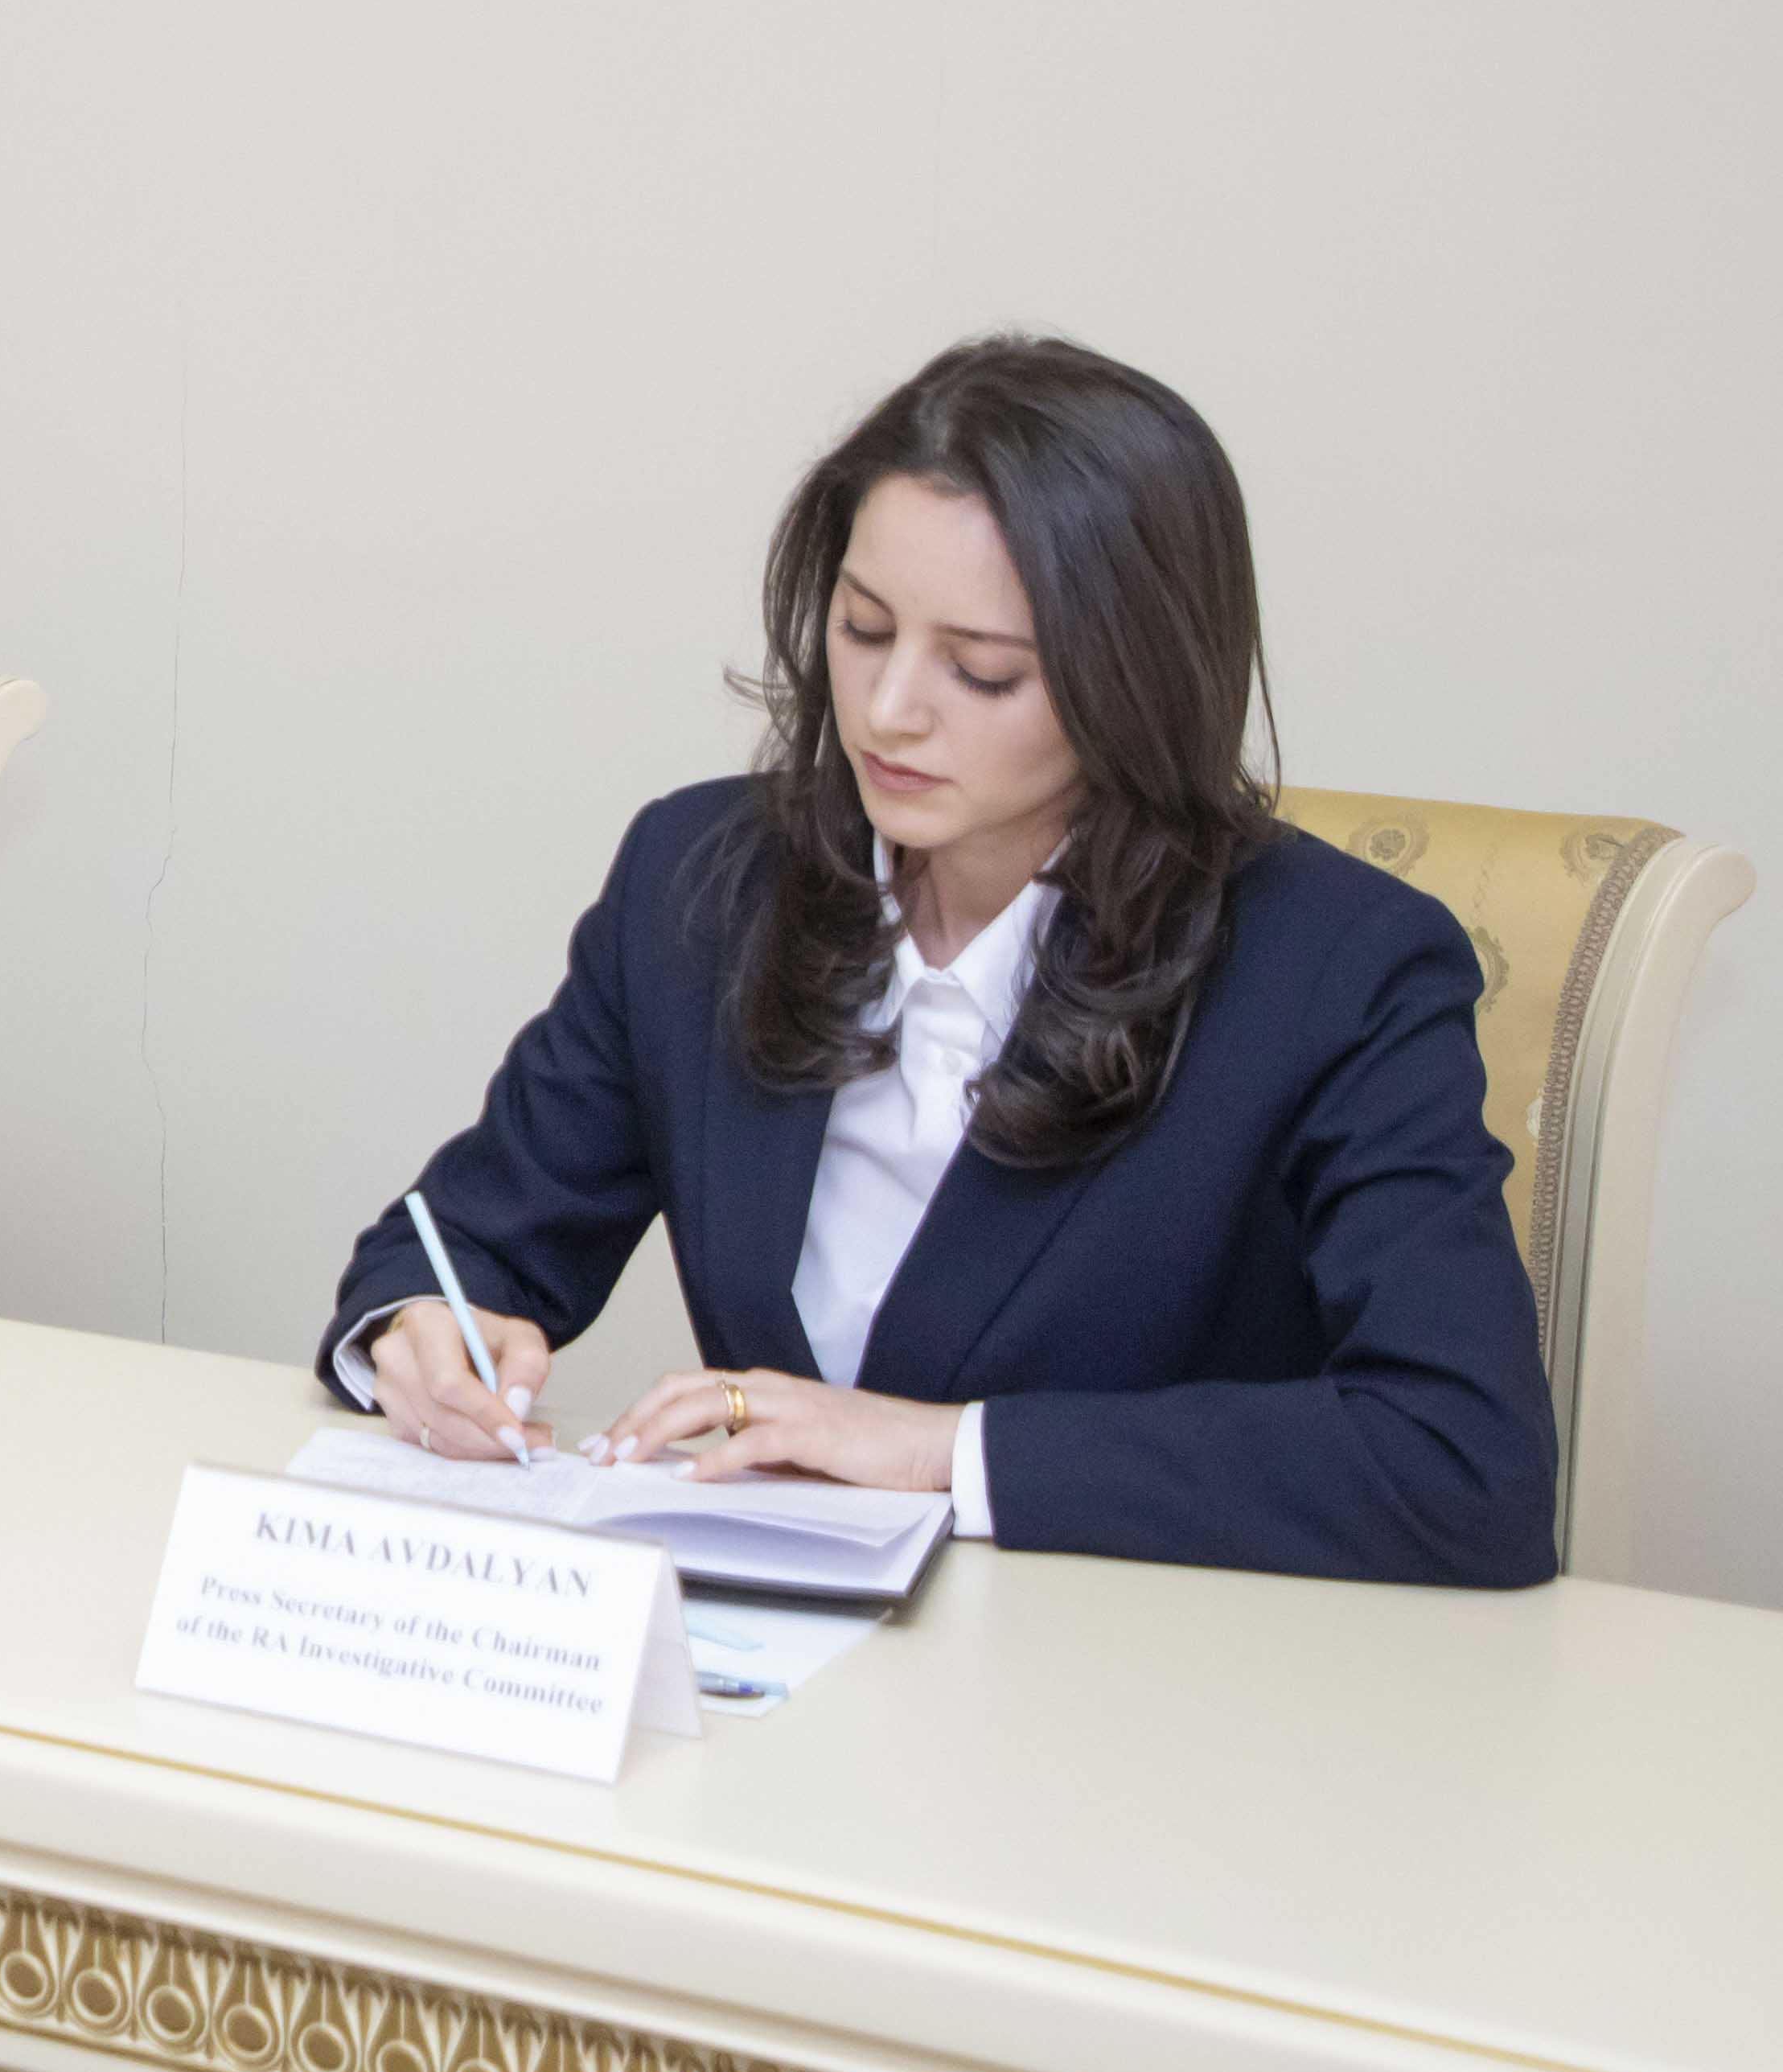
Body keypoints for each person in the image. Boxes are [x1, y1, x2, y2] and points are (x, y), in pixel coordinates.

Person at [324, 334, 1558, 1589]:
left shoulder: (1340, 969)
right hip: (777, 1649)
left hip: (1141, 1668)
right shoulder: (702, 879)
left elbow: (1465, 1461)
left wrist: (937, 1452)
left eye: (982, 671)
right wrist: (419, 1331)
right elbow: (460, 1240)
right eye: (863, 629)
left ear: (1137, 681)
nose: (888, 711)